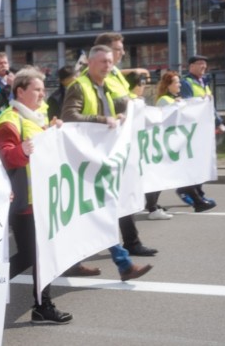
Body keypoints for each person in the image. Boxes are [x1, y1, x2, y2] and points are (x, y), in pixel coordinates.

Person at [61, 44, 153, 282]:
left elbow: (106, 116)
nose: (108, 66)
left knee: (95, 212)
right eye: (103, 62)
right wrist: (104, 119)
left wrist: (118, 118)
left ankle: (74, 261)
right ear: (90, 63)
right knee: (101, 211)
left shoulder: (104, 87)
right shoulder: (79, 86)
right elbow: (70, 116)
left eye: (110, 62)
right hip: (83, 160)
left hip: (99, 157)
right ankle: (124, 264)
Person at [0, 67, 72, 324]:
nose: (43, 94)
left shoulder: (37, 117)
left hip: (42, 199)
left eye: (43, 89)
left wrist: (54, 131)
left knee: (39, 254)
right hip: (25, 201)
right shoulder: (9, 119)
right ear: (20, 91)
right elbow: (4, 157)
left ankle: (42, 305)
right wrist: (22, 151)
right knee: (30, 255)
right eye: (37, 89)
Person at [91, 32, 157, 257]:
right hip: (104, 144)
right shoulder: (96, 76)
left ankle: (130, 242)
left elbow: (124, 97)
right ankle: (122, 246)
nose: (122, 53)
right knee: (107, 198)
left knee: (121, 193)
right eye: (118, 49)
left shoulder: (116, 73)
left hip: (119, 142)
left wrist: (134, 102)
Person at [178, 55, 221, 212]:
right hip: (193, 130)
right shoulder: (186, 82)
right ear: (191, 67)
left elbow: (209, 105)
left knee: (202, 163)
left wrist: (219, 121)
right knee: (194, 163)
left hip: (204, 128)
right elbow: (189, 104)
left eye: (205, 63)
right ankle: (188, 191)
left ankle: (197, 193)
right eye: (199, 63)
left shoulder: (203, 82)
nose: (203, 66)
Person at [142, 70, 182, 221]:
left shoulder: (172, 99)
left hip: (166, 142)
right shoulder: (165, 100)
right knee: (157, 176)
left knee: (159, 177)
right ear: (168, 85)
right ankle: (152, 207)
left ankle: (152, 205)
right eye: (176, 82)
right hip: (161, 144)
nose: (179, 84)